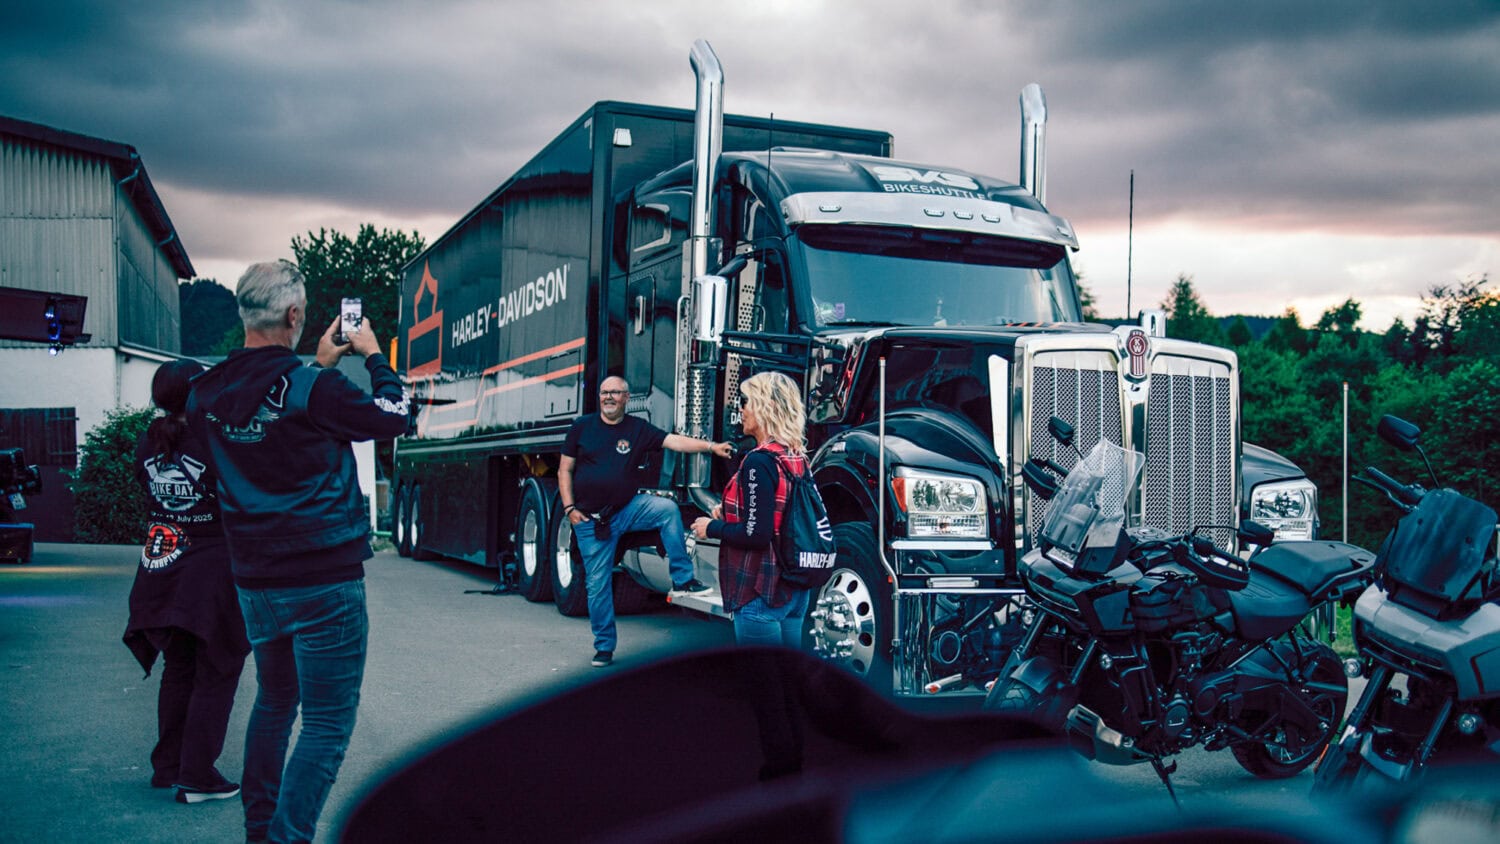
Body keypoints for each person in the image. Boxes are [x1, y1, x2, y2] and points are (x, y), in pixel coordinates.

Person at [186, 259, 409, 844]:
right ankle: (288, 838)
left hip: (254, 577)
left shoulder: (205, 392)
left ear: (243, 312)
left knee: (275, 701)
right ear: (293, 315)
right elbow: (395, 416)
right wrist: (374, 356)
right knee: (327, 723)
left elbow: (256, 424)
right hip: (322, 575)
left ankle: (261, 832)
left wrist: (318, 364)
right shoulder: (317, 390)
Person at [123, 359, 250, 804]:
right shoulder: (213, 439)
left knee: (179, 668)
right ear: (198, 392)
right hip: (212, 572)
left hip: (162, 565)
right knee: (217, 669)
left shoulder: (150, 440)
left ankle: (169, 766)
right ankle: (197, 776)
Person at [558, 374, 733, 667]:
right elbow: (564, 470)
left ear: (627, 398)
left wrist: (711, 447)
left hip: (626, 509)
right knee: (597, 586)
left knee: (666, 509)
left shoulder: (637, 428)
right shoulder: (582, 427)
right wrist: (568, 508)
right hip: (591, 521)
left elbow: (673, 441)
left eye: (615, 392)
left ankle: (682, 580)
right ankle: (604, 647)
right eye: (604, 392)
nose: (609, 397)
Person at [691, 371, 813, 647]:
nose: (741, 410)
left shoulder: (758, 461)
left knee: (761, 674)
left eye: (745, 402)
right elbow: (782, 514)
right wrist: (730, 512)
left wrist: (711, 528)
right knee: (789, 672)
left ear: (764, 407)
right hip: (794, 588)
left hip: (761, 590)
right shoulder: (796, 456)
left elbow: (757, 534)